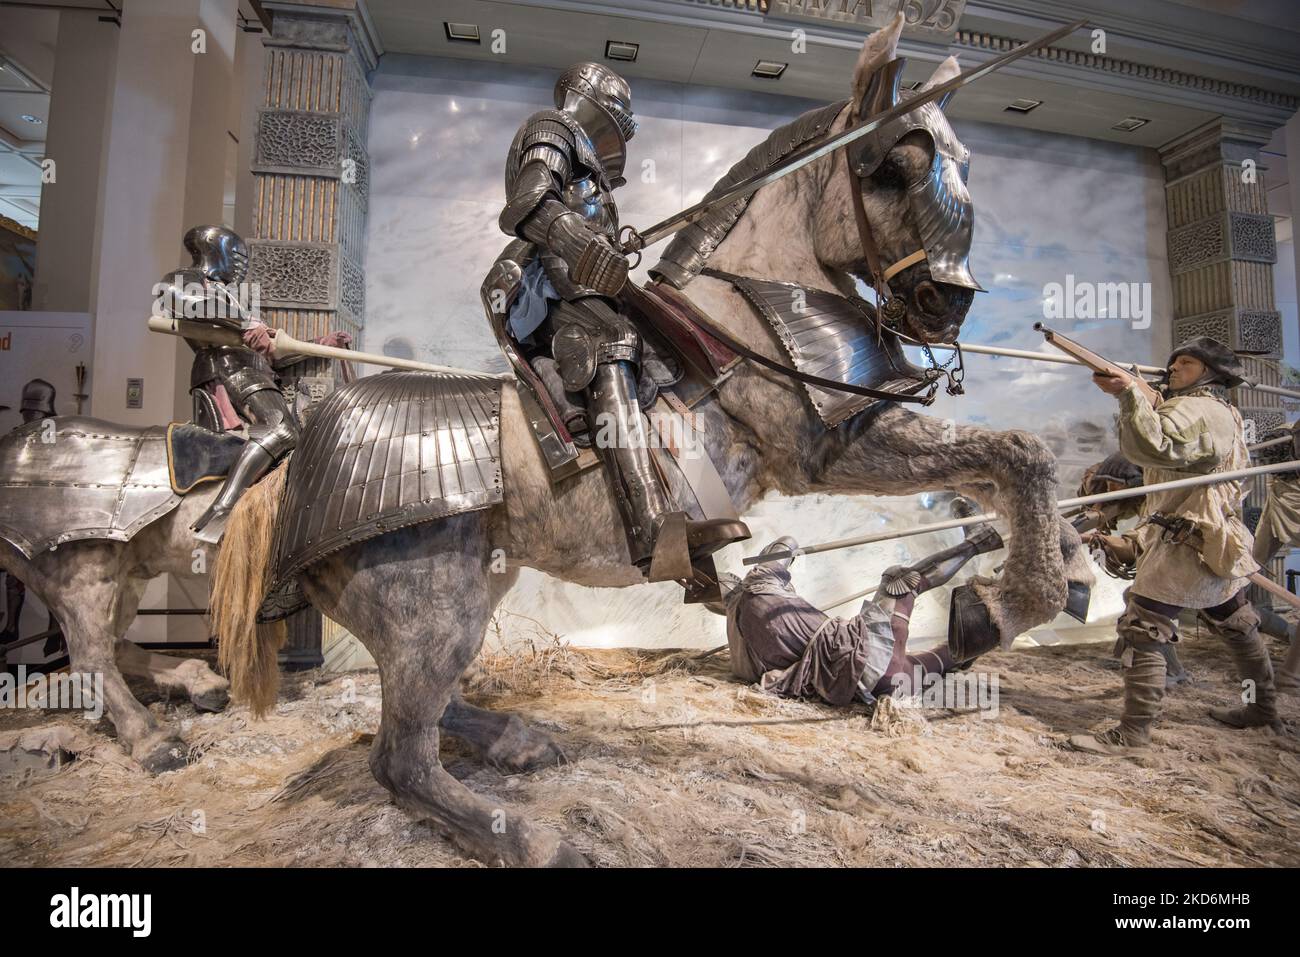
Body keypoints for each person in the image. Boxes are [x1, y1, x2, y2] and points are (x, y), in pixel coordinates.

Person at [492, 63, 747, 578]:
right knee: (614, 341)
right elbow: (526, 204)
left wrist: (609, 246)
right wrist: (578, 241)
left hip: (587, 291)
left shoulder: (589, 167)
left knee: (663, 343)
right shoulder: (553, 128)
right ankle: (651, 530)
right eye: (618, 119)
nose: (620, 134)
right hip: (553, 296)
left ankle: (701, 505)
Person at [1071, 337, 1280, 755]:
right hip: (1209, 537)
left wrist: (1130, 395)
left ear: (1210, 373)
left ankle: (1132, 735)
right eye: (1174, 362)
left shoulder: (1197, 409)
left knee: (1144, 630)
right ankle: (1260, 710)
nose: (1175, 368)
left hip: (1185, 542)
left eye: (1186, 363)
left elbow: (1153, 446)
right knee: (1238, 624)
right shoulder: (1221, 410)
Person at [156, 225, 348, 542]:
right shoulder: (188, 280)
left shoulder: (237, 298)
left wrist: (322, 343)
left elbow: (271, 356)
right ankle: (223, 509)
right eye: (235, 254)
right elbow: (179, 300)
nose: (241, 262)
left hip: (254, 373)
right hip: (226, 370)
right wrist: (245, 321)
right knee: (282, 430)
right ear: (212, 250)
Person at [715, 500, 1003, 707]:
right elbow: (786, 543)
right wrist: (778, 559)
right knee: (900, 581)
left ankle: (966, 649)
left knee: (941, 660)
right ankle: (979, 541)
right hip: (867, 657)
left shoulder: (738, 647)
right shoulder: (761, 584)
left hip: (876, 686)